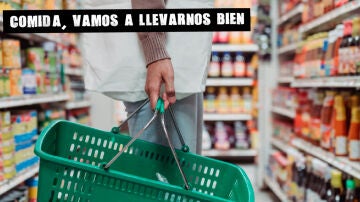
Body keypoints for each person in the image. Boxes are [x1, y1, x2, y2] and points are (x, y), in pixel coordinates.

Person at [83, 0, 213, 154]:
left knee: (180, 164)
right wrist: (155, 52)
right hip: (162, 61)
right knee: (166, 168)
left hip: (173, 59)